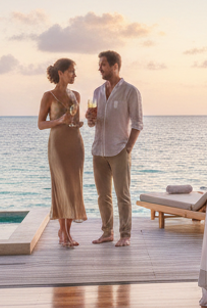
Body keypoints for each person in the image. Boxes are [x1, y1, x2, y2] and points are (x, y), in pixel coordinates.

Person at [85, 50, 143, 247]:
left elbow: (137, 123)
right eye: (100, 64)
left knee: (122, 195)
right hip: (98, 151)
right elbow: (93, 123)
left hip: (119, 150)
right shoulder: (97, 92)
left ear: (114, 66)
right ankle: (106, 233)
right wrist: (90, 119)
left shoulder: (130, 91)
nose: (99, 68)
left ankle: (125, 234)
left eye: (103, 64)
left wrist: (128, 149)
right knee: (103, 196)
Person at [38, 58, 87, 247]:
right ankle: (64, 233)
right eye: (71, 72)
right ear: (61, 73)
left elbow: (75, 119)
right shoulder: (48, 96)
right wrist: (59, 121)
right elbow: (41, 124)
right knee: (61, 185)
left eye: (74, 72)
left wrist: (79, 121)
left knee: (74, 187)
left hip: (75, 143)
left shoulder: (76, 95)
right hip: (58, 146)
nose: (74, 75)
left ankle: (66, 231)